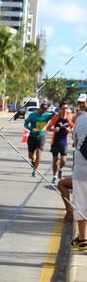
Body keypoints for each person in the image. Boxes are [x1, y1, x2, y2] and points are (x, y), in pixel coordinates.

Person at [71, 104, 87, 249]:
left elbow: (75, 142)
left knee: (81, 203)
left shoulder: (80, 119)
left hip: (82, 169)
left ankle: (82, 239)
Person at [24, 100, 55, 178]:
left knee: (38, 153)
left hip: (41, 137)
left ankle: (34, 171)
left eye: (45, 110)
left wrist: (50, 111)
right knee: (30, 155)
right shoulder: (32, 115)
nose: (43, 111)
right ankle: (33, 160)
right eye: (42, 109)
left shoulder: (47, 115)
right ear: (39, 108)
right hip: (32, 136)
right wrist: (31, 129)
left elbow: (57, 114)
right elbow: (26, 124)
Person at [46, 101, 73, 185]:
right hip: (55, 142)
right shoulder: (55, 117)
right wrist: (53, 129)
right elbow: (48, 128)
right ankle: (54, 176)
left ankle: (60, 169)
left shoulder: (69, 117)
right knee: (55, 160)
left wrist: (69, 130)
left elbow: (73, 128)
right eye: (63, 108)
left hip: (64, 142)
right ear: (60, 109)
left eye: (66, 108)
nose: (65, 110)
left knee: (63, 160)